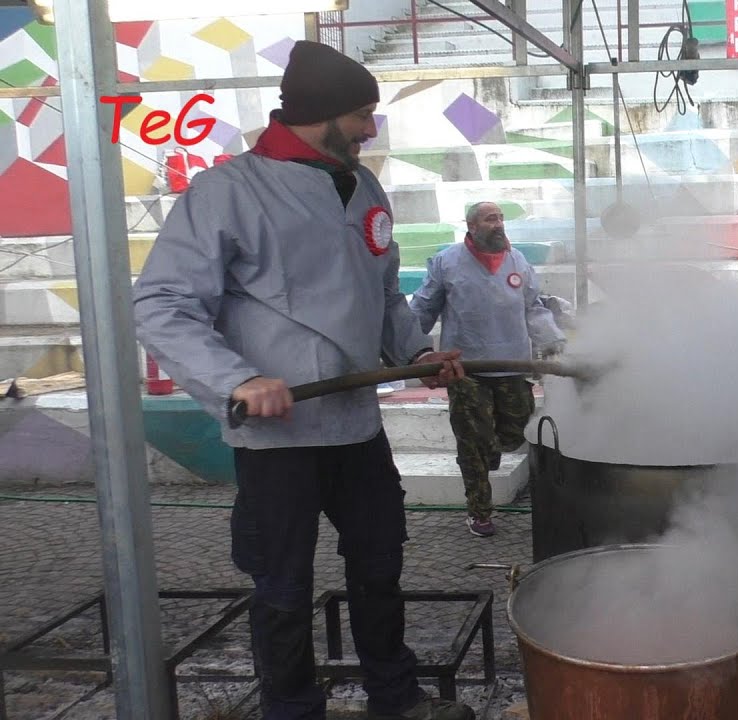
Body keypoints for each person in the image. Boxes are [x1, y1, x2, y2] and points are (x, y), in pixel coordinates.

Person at [133, 40, 476, 720]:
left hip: (356, 426)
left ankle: (395, 696)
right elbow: (162, 305)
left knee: (379, 566)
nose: (371, 129)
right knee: (283, 586)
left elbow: (384, 295)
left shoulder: (363, 185)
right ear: (321, 114)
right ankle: (290, 708)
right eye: (362, 115)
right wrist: (237, 379)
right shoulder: (229, 191)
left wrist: (417, 352)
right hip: (278, 438)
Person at [410, 201, 566, 537]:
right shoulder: (447, 262)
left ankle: (488, 448)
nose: (498, 224)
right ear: (471, 226)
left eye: (500, 218)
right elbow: (423, 307)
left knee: (515, 431)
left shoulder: (517, 260)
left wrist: (553, 341)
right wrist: (410, 350)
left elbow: (533, 307)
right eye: (490, 219)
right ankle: (479, 511)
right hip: (467, 369)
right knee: (472, 441)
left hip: (512, 364)